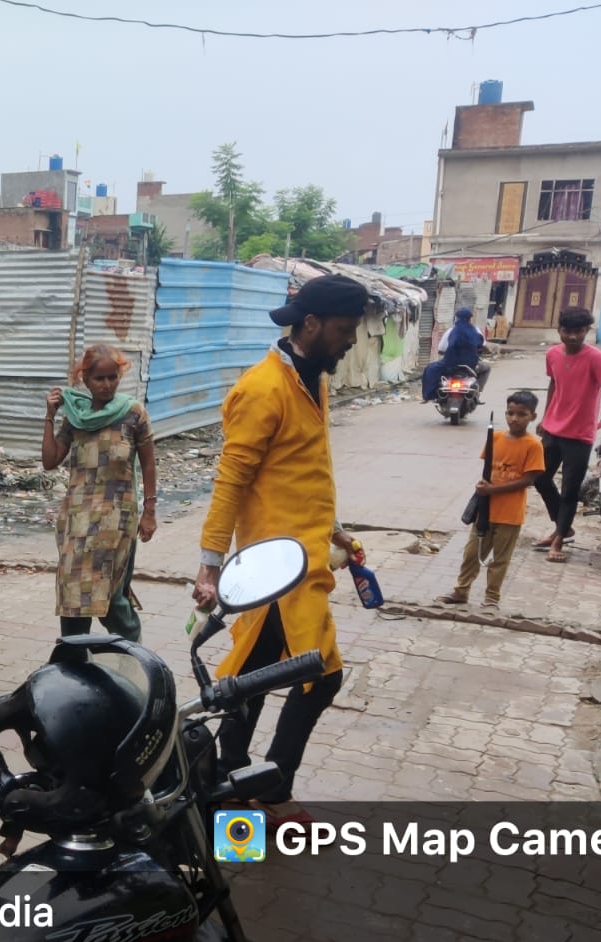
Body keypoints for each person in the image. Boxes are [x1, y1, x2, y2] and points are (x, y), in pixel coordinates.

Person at [192, 274, 370, 825]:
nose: (351, 341)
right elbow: (232, 480)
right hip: (275, 568)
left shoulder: (313, 379)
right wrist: (209, 566)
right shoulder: (263, 388)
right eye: (344, 330)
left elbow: (304, 467)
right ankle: (260, 792)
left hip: (304, 558)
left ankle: (234, 785)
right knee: (316, 677)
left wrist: (335, 529)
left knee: (255, 679)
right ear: (311, 324)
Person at [42, 344, 157, 640]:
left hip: (117, 520)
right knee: (73, 594)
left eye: (112, 377)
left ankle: (131, 652)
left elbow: (148, 465)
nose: (107, 385)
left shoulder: (133, 413)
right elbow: (50, 461)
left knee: (111, 594)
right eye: (99, 378)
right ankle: (73, 656)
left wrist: (150, 512)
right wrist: (50, 416)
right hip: (77, 520)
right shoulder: (76, 416)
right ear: (85, 380)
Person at [531, 306, 601, 563]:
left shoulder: (595, 358)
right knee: (539, 478)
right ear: (559, 330)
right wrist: (545, 417)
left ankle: (559, 539)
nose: (573, 336)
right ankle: (562, 526)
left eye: (579, 331)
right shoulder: (552, 354)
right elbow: (554, 384)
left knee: (570, 490)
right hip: (553, 429)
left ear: (586, 331)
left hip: (580, 435)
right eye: (568, 331)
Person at [437, 392, 546, 610]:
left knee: (500, 559)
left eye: (521, 414)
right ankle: (461, 591)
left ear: (533, 417)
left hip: (510, 513)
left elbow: (528, 479)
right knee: (471, 553)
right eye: (510, 413)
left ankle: (491, 598)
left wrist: (492, 489)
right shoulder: (495, 438)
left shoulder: (533, 445)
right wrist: (484, 489)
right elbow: (488, 470)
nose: (514, 419)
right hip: (485, 509)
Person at [422, 307, 485, 401]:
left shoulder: (452, 331)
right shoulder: (475, 331)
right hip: (471, 364)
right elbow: (481, 345)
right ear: (470, 319)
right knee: (485, 369)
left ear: (457, 318)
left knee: (430, 369)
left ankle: (429, 395)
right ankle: (477, 393)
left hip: (451, 363)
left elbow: (443, 348)